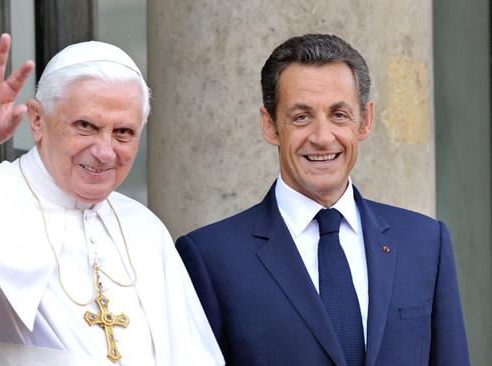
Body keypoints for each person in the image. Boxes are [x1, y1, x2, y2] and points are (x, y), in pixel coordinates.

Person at [0, 33, 223, 366]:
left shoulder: (146, 228)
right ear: (38, 121)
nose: (104, 152)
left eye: (123, 133)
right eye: (86, 125)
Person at [176, 34, 469, 365]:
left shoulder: (426, 241)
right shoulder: (210, 257)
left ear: (366, 120)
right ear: (270, 125)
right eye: (301, 116)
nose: (321, 137)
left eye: (339, 115)